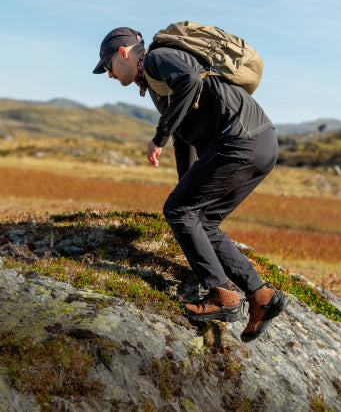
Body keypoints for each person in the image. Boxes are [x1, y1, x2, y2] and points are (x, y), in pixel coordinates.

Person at [93, 26, 289, 341]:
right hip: (262, 142)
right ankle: (263, 297)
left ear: (124, 52)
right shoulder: (159, 85)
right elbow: (186, 138)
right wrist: (186, 190)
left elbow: (190, 81)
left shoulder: (156, 58)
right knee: (202, 221)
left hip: (239, 142)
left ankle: (222, 298)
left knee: (180, 210)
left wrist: (159, 136)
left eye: (107, 65)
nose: (109, 74)